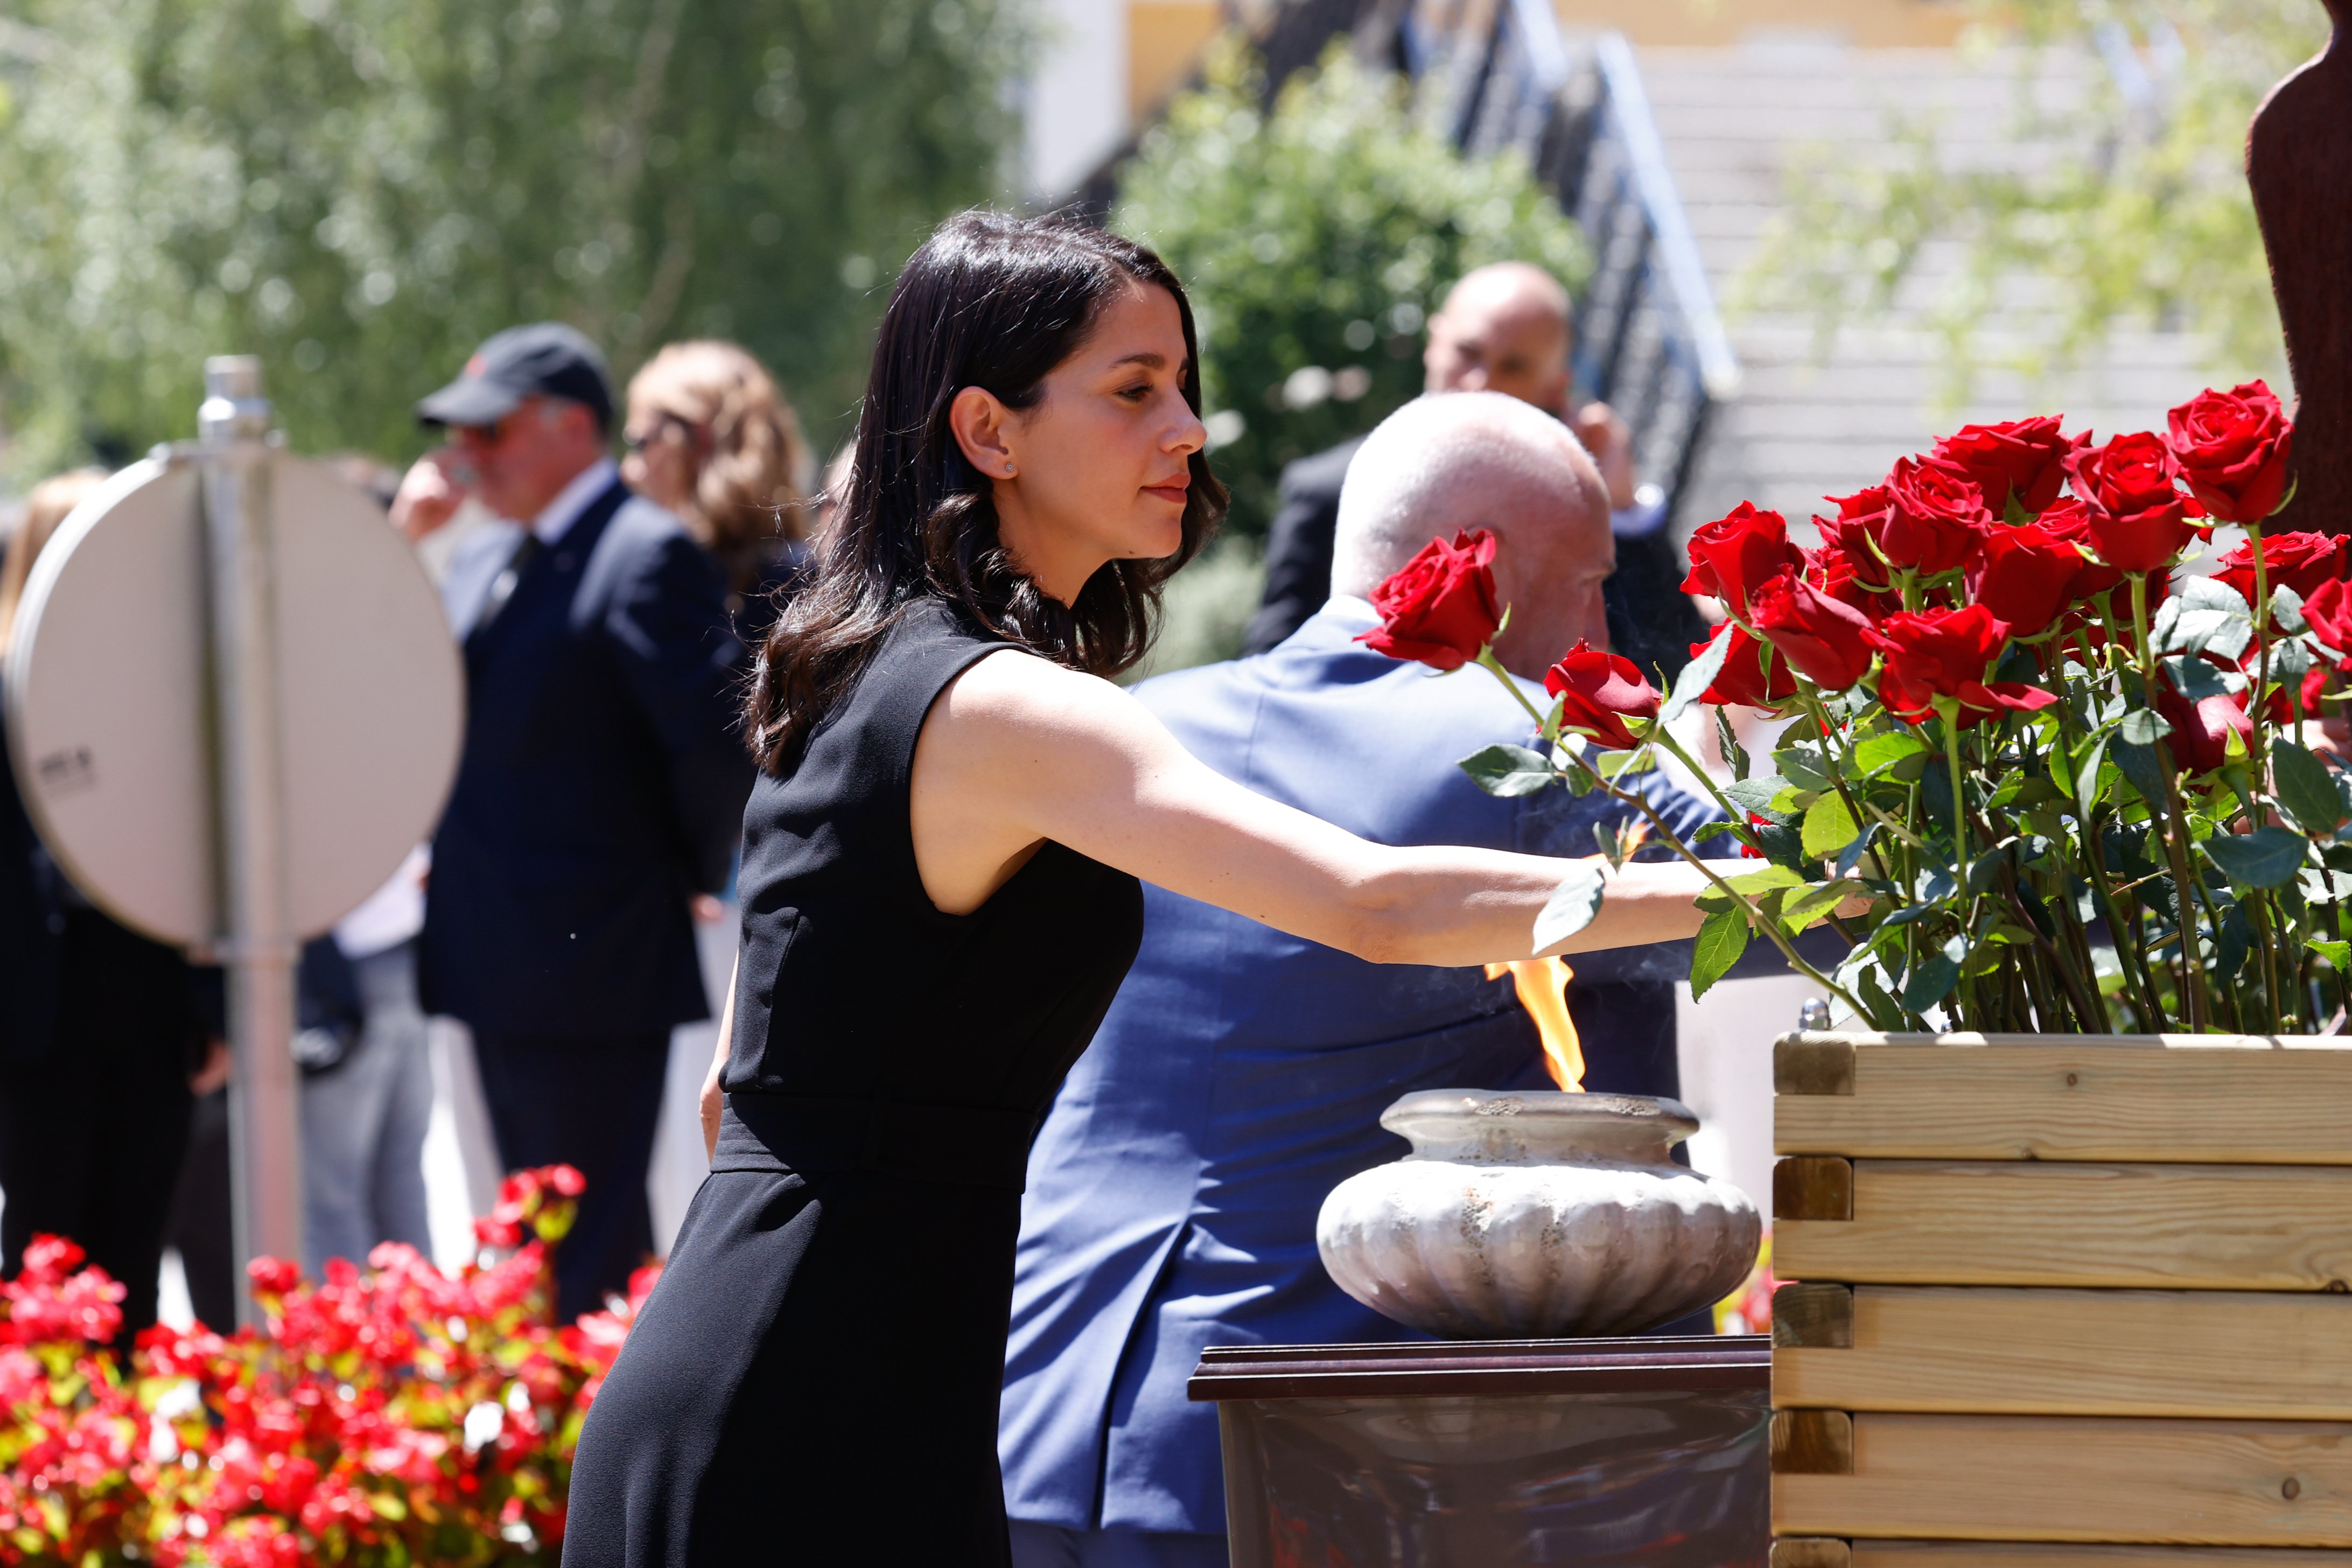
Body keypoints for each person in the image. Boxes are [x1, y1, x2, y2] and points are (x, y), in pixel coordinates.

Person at [558, 212, 1714, 1567]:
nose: (1188, 430)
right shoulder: (1003, 709)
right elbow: (1376, 903)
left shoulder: (890, 676)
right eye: (1132, 390)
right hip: (812, 1414)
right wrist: (1753, 900)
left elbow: (733, 1100)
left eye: (1184, 385)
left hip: (817, 1376)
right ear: (989, 431)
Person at [997, 391, 1728, 1567]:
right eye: (1595, 582)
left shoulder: (1139, 731)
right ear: (1477, 565)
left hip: (1045, 1422)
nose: (1605, 624)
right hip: (1329, 1455)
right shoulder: (1533, 750)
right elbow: (1837, 896)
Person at [395, 323, 754, 1319]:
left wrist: (679, 870)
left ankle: (588, 1474)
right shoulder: (523, 555)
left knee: (585, 1250)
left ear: (573, 426)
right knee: (527, 1252)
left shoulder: (643, 553)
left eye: (492, 431)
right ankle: (549, 1465)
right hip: (508, 963)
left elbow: (716, 746)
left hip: (589, 971)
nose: (469, 455)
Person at [1241, 261, 1709, 684]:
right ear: (1434, 341)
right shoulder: (1326, 491)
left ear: (1556, 388)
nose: (1480, 382)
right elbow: (1275, 668)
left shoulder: (1575, 508)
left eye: (1514, 366)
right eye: (1468, 351)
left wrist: (1621, 512)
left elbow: (1674, 665)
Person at [0, 469, 221, 1333]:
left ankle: (118, 1458)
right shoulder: (9, 687)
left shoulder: (162, 696)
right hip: (36, 1018)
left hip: (151, 1007)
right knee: (43, 1257)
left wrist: (216, 1011)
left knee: (135, 1253)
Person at [620, 340, 815, 647]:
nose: (628, 470)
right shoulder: (802, 580)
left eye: (640, 443)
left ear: (697, 442)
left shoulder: (787, 584)